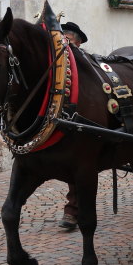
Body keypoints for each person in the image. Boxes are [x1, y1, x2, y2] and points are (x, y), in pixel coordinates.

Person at [57, 21, 88, 230]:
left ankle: (73, 210)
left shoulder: (84, 63)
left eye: (68, 41)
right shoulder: (55, 64)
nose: (64, 45)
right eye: (62, 40)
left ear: (77, 44)